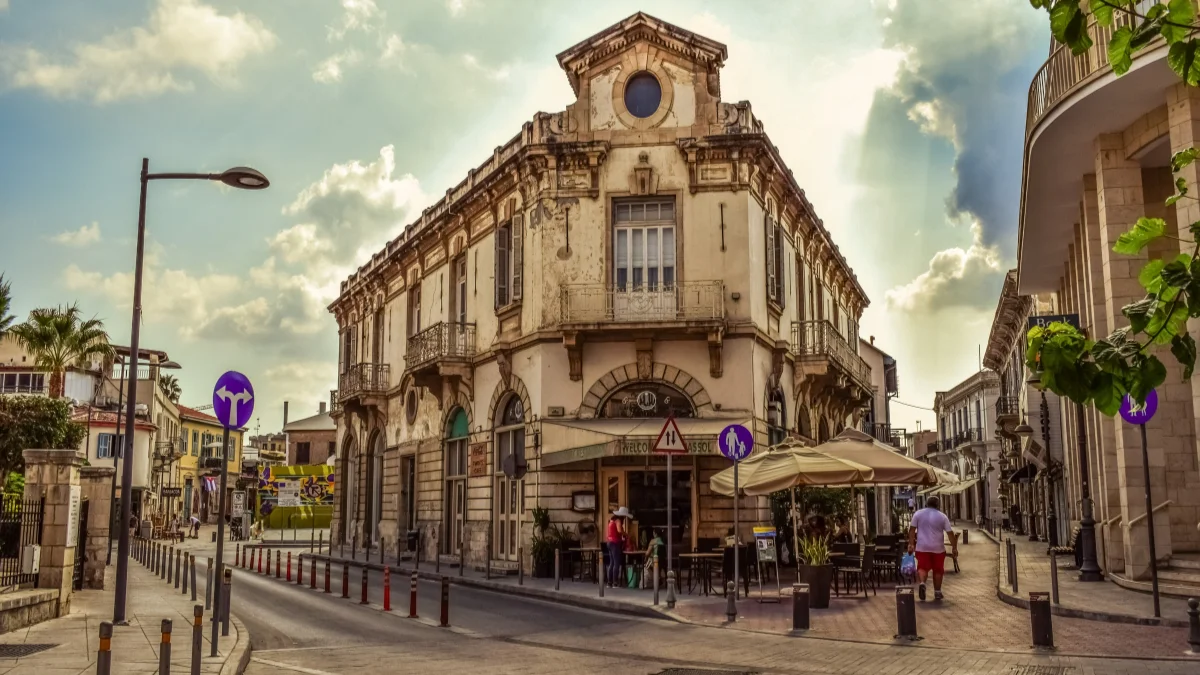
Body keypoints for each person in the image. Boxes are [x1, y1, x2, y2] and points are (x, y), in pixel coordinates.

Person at [907, 495, 958, 601]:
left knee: (922, 568)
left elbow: (912, 530)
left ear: (926, 503)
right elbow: (950, 533)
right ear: (937, 505)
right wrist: (954, 547)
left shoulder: (918, 514)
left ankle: (922, 583)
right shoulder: (942, 516)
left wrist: (911, 544)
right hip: (938, 548)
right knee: (938, 570)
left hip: (922, 547)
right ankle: (937, 592)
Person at [605, 507, 630, 588]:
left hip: (609, 542)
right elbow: (619, 531)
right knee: (616, 563)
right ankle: (615, 582)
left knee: (611, 563)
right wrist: (626, 534)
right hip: (615, 543)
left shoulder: (612, 521)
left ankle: (609, 583)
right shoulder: (618, 521)